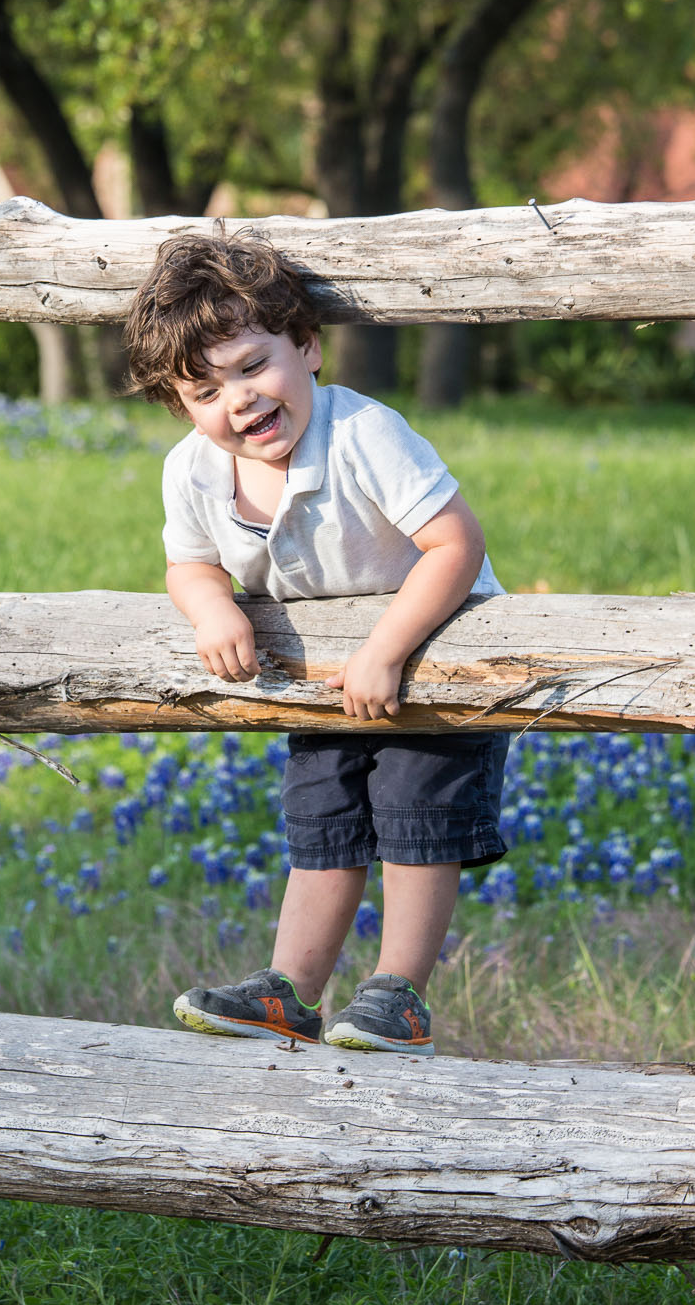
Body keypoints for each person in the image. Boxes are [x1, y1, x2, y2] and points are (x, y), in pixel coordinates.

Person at [123, 229, 507, 1057]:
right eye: (204, 390)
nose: (238, 401)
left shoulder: (364, 433)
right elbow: (187, 564)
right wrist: (212, 611)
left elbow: (455, 544)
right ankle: (290, 993)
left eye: (252, 366)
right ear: (179, 406)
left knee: (414, 815)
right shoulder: (191, 469)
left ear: (307, 345)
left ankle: (397, 994)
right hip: (324, 678)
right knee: (322, 824)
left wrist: (388, 650)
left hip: (434, 650)